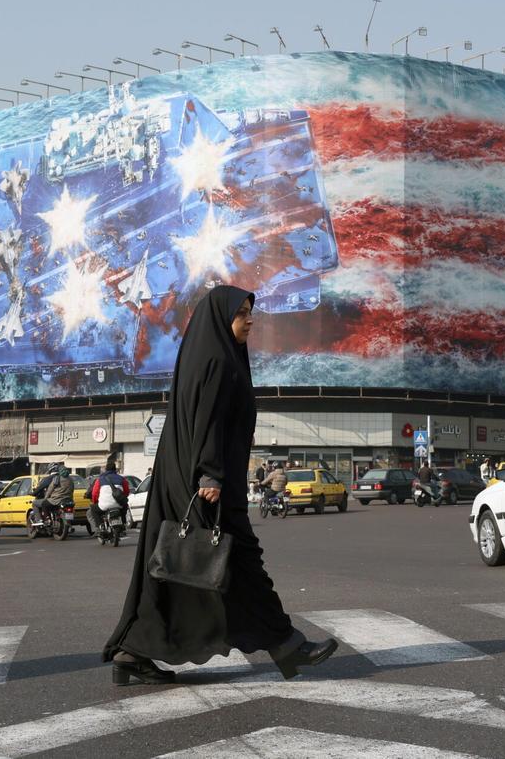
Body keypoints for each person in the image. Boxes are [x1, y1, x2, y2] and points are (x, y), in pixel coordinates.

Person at [104, 286, 337, 685]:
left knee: (169, 570)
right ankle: (287, 645)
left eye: (251, 312)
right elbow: (208, 420)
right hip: (208, 485)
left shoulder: (204, 355)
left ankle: (133, 651)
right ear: (220, 318)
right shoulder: (217, 360)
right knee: (243, 560)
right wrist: (210, 474)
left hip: (184, 481)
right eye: (242, 313)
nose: (250, 320)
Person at [88, 460, 130, 534]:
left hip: (104, 506)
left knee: (93, 509)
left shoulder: (100, 479)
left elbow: (94, 493)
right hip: (119, 505)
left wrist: (95, 502)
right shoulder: (122, 479)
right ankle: (123, 523)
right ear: (115, 469)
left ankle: (100, 526)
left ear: (106, 470)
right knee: (125, 507)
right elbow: (126, 491)